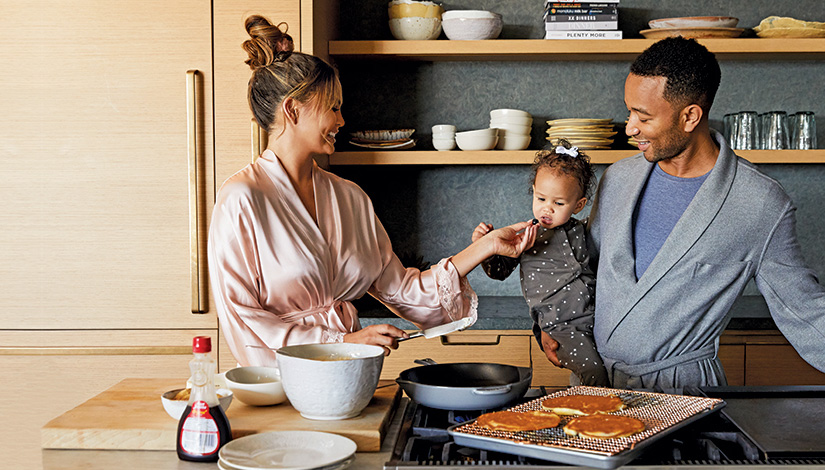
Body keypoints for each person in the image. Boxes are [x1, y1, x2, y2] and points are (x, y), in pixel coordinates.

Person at [207, 15, 538, 367]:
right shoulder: (241, 198)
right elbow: (245, 321)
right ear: (293, 109)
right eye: (333, 107)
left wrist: (485, 247)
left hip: (353, 373)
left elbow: (403, 291)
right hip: (282, 382)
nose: (341, 120)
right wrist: (343, 342)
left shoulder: (349, 198)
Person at [543, 36, 825, 390]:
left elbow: (806, 311)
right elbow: (582, 268)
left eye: (642, 117)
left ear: (690, 116)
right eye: (630, 111)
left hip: (684, 392)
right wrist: (551, 324)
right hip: (596, 386)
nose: (629, 128)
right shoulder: (618, 178)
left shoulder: (760, 202)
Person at [472, 141, 609, 386]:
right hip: (560, 325)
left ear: (578, 205)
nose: (547, 208)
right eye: (541, 198)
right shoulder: (525, 235)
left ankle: (591, 414)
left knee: (608, 370)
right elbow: (498, 271)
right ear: (533, 191)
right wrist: (486, 247)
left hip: (595, 318)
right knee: (594, 373)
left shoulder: (582, 229)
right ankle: (598, 420)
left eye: (559, 203)